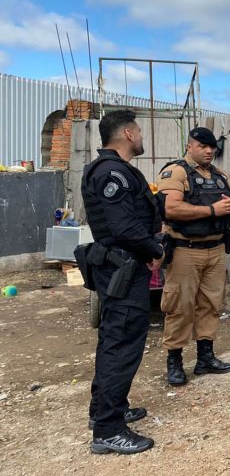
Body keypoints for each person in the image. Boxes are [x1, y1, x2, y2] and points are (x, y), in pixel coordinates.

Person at [81, 110, 164, 454]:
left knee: (113, 340)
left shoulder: (109, 170)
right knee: (122, 344)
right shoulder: (113, 172)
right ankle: (108, 429)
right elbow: (124, 228)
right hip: (123, 269)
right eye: (139, 130)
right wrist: (155, 249)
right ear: (128, 134)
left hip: (120, 267)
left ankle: (104, 409)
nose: (142, 136)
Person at [156, 127, 230, 386]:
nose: (209, 151)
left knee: (211, 304)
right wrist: (212, 209)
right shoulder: (176, 172)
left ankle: (205, 359)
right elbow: (170, 207)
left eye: (212, 147)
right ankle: (175, 362)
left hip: (215, 249)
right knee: (180, 307)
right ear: (189, 146)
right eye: (203, 146)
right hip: (186, 249)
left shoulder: (220, 175)